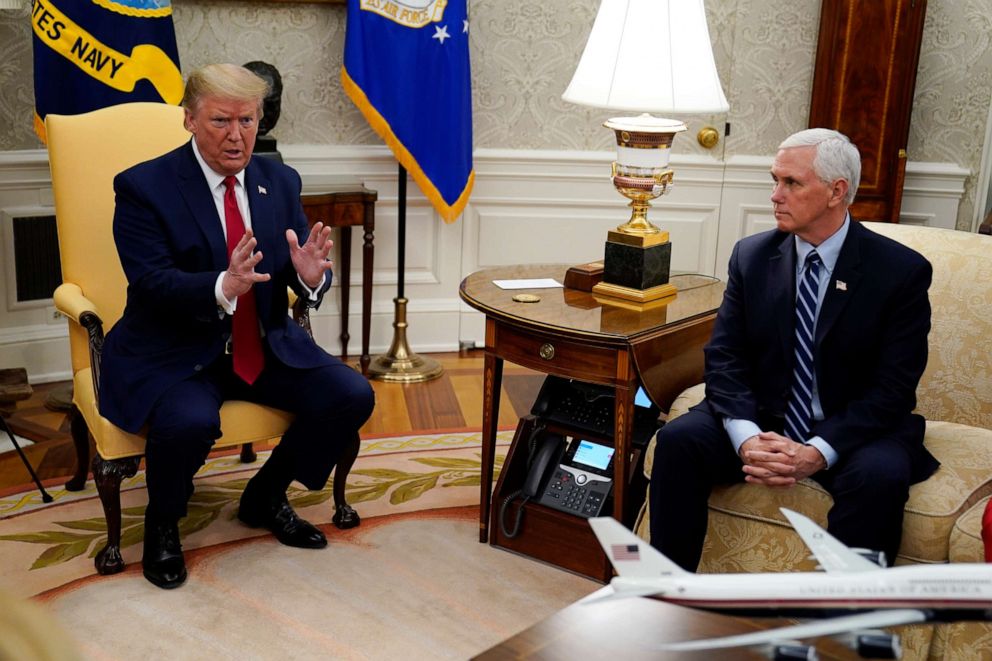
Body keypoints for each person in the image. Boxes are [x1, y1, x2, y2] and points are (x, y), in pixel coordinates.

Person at [98, 63, 376, 589]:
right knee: (189, 423)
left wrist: (311, 278)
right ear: (189, 120)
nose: (236, 135)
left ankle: (266, 494)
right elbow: (151, 281)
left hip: (264, 341)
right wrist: (223, 286)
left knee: (350, 394)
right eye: (221, 120)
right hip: (176, 350)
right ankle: (163, 524)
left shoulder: (278, 179)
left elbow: (298, 263)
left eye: (247, 120)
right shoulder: (144, 187)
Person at [649, 128, 939, 571]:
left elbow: (893, 390)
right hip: (765, 415)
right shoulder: (751, 255)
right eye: (774, 180)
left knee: (879, 478)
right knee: (679, 440)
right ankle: (664, 599)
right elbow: (725, 358)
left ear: (835, 192)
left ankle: (839, 631)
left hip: (853, 427)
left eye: (791, 183)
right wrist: (746, 439)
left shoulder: (900, 272)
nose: (774, 195)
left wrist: (817, 451)